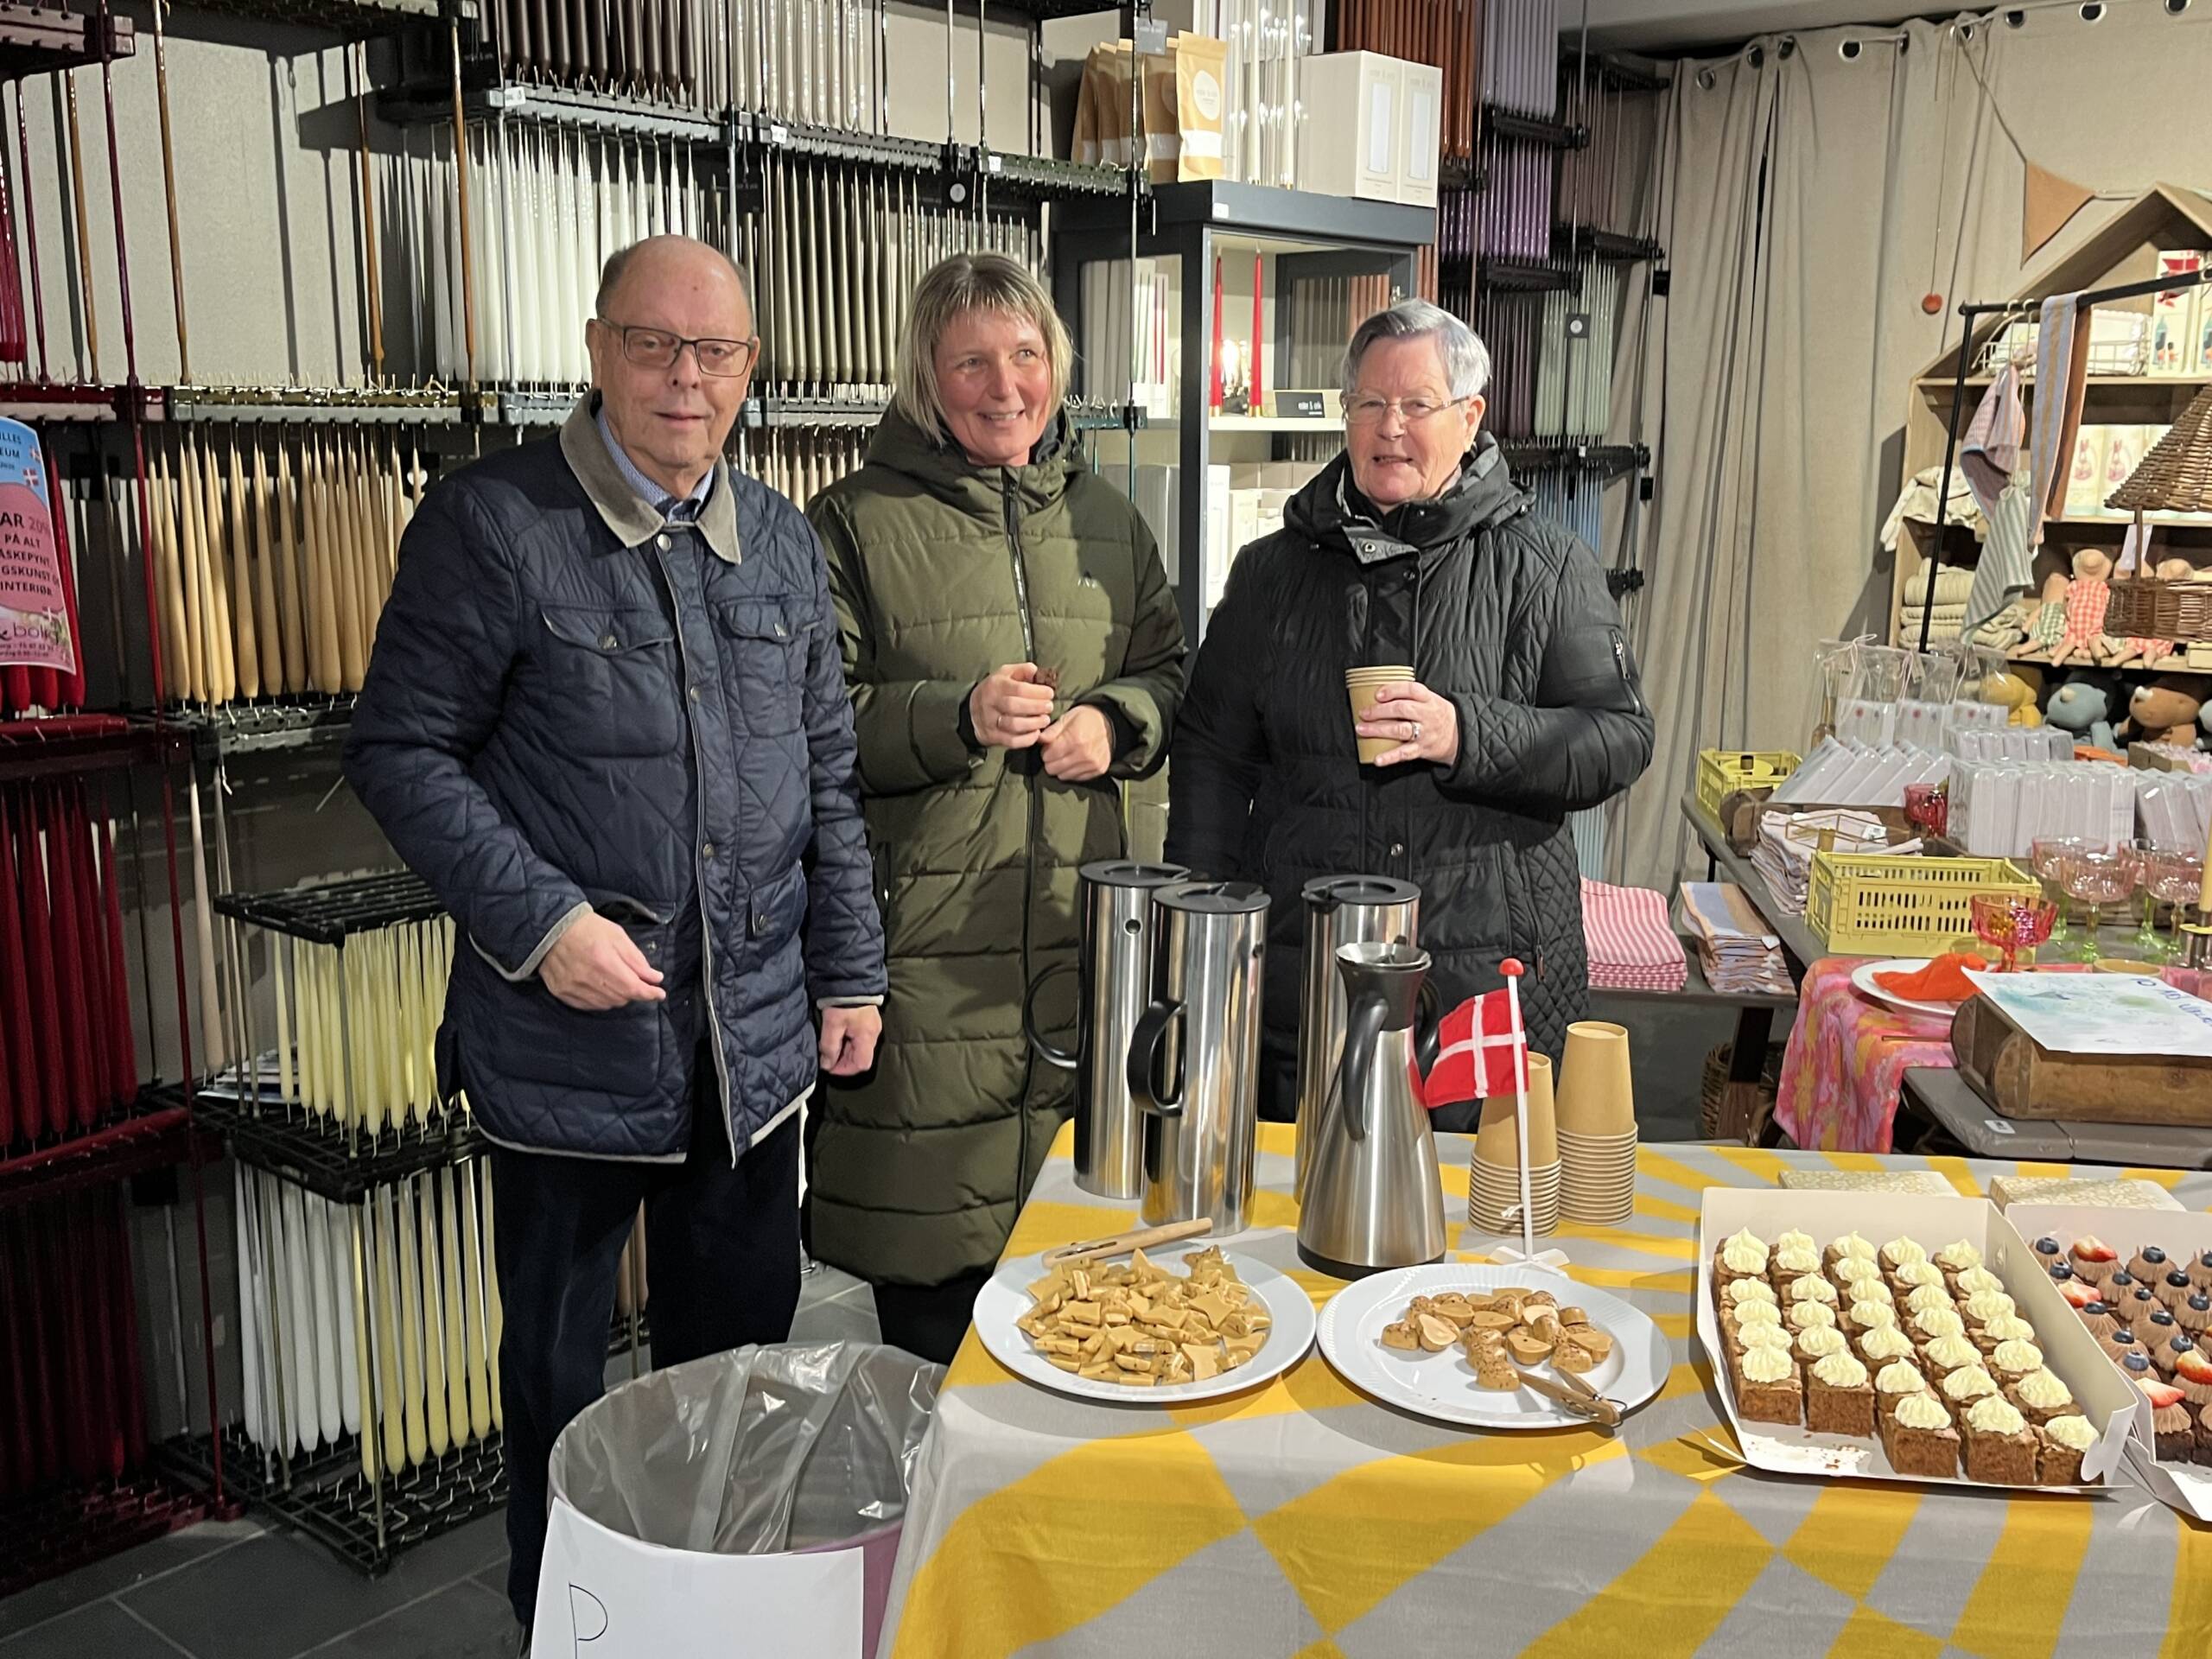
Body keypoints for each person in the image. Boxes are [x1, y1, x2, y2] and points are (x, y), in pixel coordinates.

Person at [343, 234, 886, 1633]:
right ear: (598, 351)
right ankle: (568, 1627)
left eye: (716, 352)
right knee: (560, 1393)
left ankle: (718, 1623)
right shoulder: (494, 524)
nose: (685, 377)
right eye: (654, 344)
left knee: (738, 1382)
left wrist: (851, 972)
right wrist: (542, 923)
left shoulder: (779, 540)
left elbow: (827, 782)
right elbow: (401, 749)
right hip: (565, 1058)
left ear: (751, 369)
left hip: (747, 1056)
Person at [805, 252, 1185, 1363]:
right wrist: (955, 716)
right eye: (971, 361)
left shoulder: (1111, 521)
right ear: (925, 375)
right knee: (934, 1349)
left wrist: (1116, 719)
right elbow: (809, 727)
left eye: (1026, 355)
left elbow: (1171, 672)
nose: (1005, 385)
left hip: (1087, 957)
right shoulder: (850, 523)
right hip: (927, 979)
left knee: (1095, 1331)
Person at [1166, 299, 1653, 1128]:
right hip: (1304, 973)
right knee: (1306, 1190)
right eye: (1370, 403)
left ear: (1470, 418)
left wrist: (1467, 732)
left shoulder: (1546, 565)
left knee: (1479, 1200)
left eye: (1417, 404)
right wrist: (1199, 934)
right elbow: (1211, 754)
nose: (1390, 428)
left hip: (1486, 982)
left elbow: (1619, 737)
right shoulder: (1271, 575)